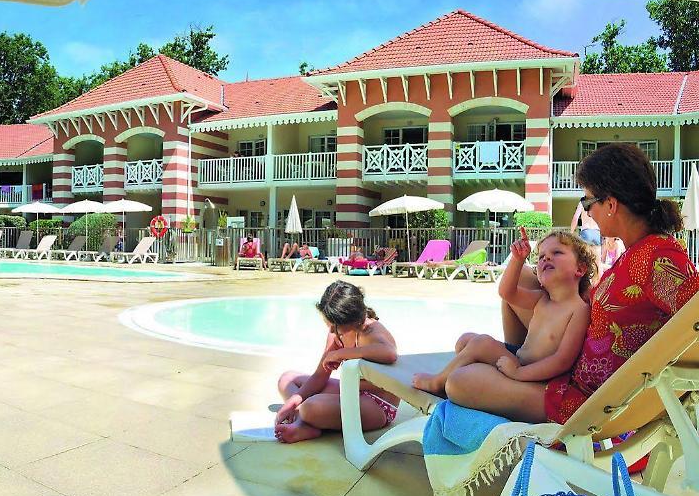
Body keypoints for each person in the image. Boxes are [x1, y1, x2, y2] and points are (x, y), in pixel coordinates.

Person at [446, 143, 699, 423]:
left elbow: (693, 313)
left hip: (580, 398)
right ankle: (515, 360)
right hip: (568, 370)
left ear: (611, 205)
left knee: (460, 382)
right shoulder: (638, 251)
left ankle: (515, 370)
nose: (587, 213)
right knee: (519, 286)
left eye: (588, 202)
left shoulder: (656, 257)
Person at [412, 228, 593, 396]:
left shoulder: (579, 310)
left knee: (481, 343)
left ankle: (438, 383)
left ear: (580, 269)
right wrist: (518, 259)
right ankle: (474, 374)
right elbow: (507, 293)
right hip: (517, 357)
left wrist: (519, 373)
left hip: (537, 374)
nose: (546, 258)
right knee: (465, 340)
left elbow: (562, 361)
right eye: (541, 256)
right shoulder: (542, 299)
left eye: (557, 253)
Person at [273, 281, 400, 443]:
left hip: (377, 405)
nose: (331, 331)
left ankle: (304, 422)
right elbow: (320, 376)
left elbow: (390, 353)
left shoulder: (371, 331)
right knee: (287, 379)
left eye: (335, 326)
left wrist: (341, 354)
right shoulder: (337, 334)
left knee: (310, 407)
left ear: (353, 320)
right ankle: (307, 421)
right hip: (350, 391)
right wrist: (294, 401)